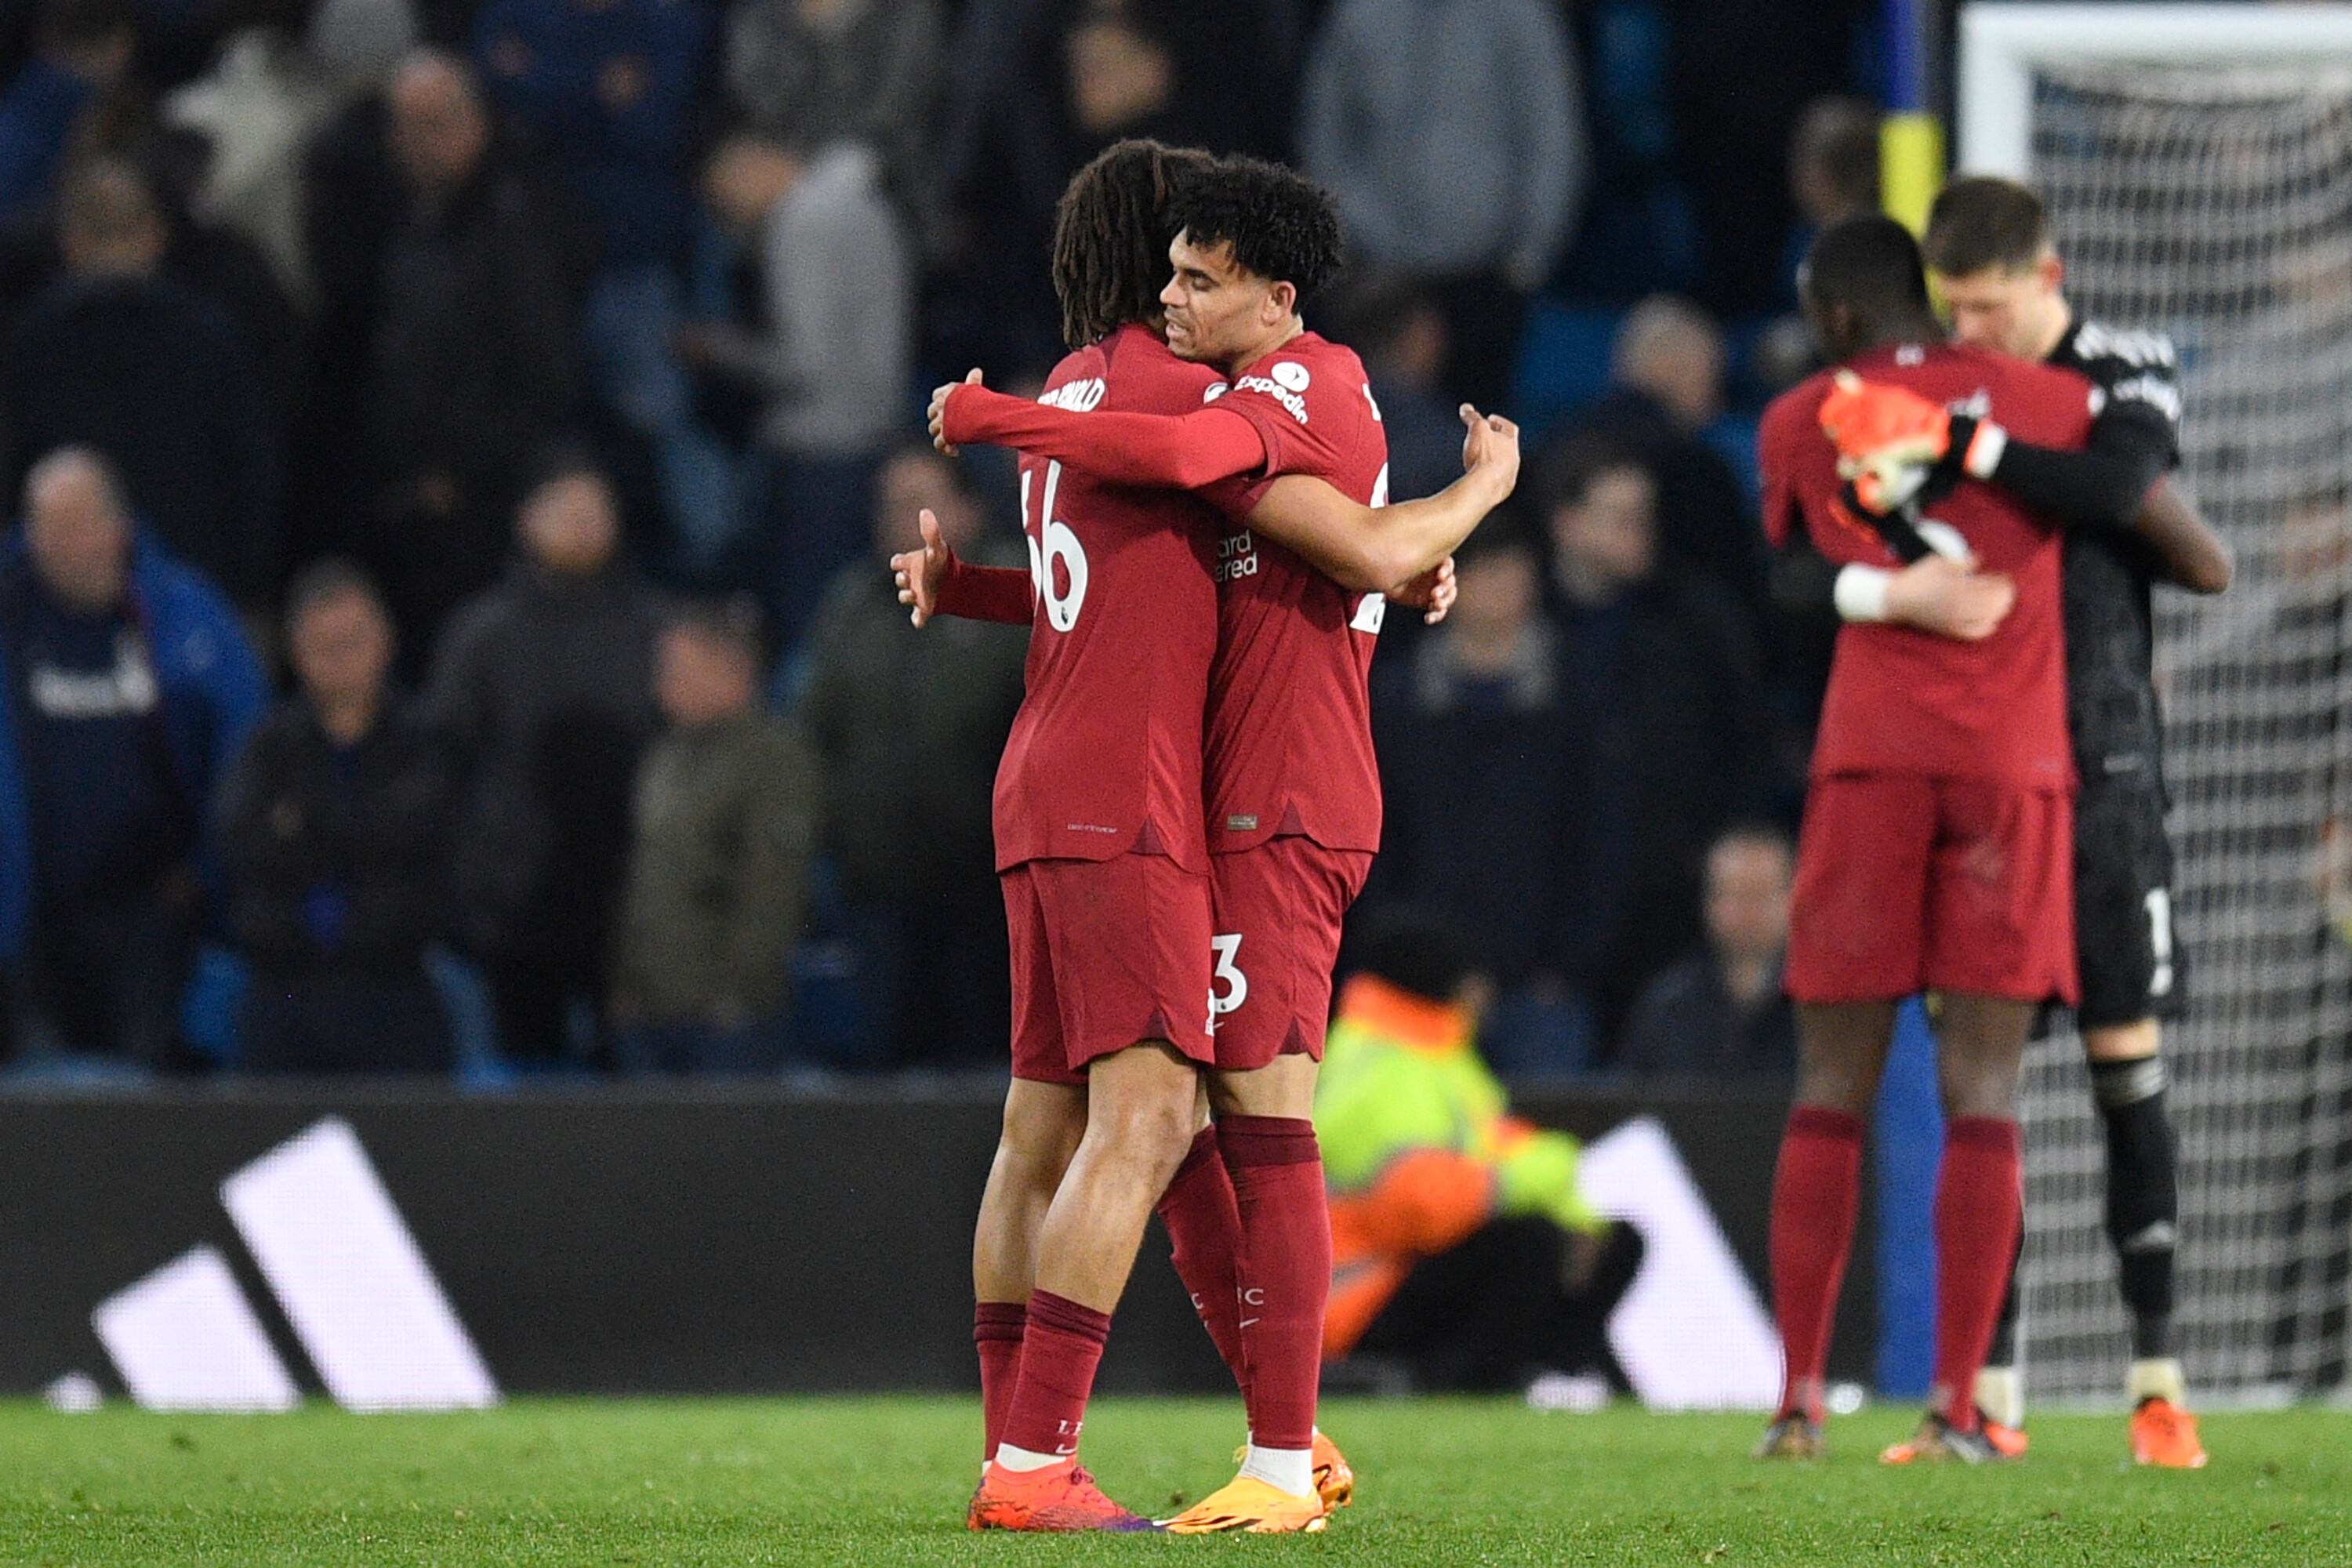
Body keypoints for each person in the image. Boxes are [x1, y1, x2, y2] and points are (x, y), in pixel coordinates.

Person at [906, 143, 1515, 1532]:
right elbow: (1331, 545)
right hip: (1149, 799)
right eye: (1171, 268)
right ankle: (1080, 1460)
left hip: (1177, 797)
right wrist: (1425, 536)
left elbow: (1320, 548)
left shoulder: (1137, 393)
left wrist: (1426, 535)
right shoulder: (1176, 401)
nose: (1182, 292)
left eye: (1205, 273)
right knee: (1161, 1117)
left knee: (1102, 1124)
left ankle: (1241, 1451)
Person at [1866, 175, 2231, 1468]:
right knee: (1983, 1085)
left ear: (2049, 279)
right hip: (1973, 776)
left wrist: (1967, 455)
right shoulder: (1927, 381)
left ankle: (2157, 1385)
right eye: (1954, 310)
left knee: (2126, 1065)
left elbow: (2121, 484)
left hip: (2105, 762)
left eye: (1991, 307)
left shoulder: (2123, 362)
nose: (1975, 332)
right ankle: (1985, 1402)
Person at [1751, 216, 2097, 1465]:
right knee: (1987, 1092)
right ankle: (1960, 1405)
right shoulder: (2052, 404)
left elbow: (1779, 585)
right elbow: (2117, 504)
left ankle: (1796, 1397)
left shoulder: (1804, 416)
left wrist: (1885, 591)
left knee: (1831, 1086)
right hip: (2012, 770)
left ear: (1837, 314)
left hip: (1870, 762)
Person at [0, 448, 267, 1067]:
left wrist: (205, 876)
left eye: (78, 524)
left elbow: (246, 751)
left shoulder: (185, 612)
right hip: (28, 915)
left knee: (140, 1095)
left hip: (154, 916)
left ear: (119, 525)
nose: (61, 545)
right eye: (46, 526)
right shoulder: (11, 614)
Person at [1316, 911, 1644, 1392]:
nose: (1487, 995)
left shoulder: (1439, 1054)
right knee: (1526, 1243)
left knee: (1615, 1241)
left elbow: (1499, 1150)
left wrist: (1580, 1226)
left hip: (1407, 1275)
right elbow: (1422, 1207)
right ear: (1449, 985)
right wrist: (1547, 1172)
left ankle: (1552, 1380)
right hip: (1358, 1294)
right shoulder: (1376, 1068)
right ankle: (1463, 1387)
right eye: (1476, 981)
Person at [427, 455, 663, 1068]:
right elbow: (444, 765)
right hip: (516, 906)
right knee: (526, 1105)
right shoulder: (480, 635)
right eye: (568, 509)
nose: (585, 524)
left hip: (629, 903)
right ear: (527, 522)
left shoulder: (656, 628)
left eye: (597, 509)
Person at [798, 446, 1025, 1069]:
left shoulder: (1014, 595)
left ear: (968, 508)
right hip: (879, 889)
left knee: (983, 1065)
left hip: (989, 892)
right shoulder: (851, 604)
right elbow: (816, 735)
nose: (900, 516)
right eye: (890, 504)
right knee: (888, 1070)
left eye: (919, 501)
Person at [4, 156, 279, 608]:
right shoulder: (208, 336)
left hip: (67, 603)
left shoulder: (34, 343)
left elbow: (17, 475)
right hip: (196, 595)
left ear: (71, 243)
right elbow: (250, 473)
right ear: (155, 235)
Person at [218, 561, 456, 1074]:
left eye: (353, 640)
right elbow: (245, 849)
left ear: (385, 643)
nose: (340, 659)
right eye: (324, 644)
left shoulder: (426, 741)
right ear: (298, 653)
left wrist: (308, 825)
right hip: (286, 984)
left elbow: (432, 849)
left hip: (396, 983)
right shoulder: (268, 747)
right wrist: (368, 835)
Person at [1296, 0, 1584, 412]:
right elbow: (1324, 139)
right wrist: (1355, 232)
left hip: (1487, 275)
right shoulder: (1359, 14)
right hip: (1379, 275)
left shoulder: (1519, 14)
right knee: (1371, 427)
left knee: (1477, 435)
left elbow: (1552, 136)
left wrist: (1529, 256)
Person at [688, 133, 910, 635]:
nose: (731, 217)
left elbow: (805, 362)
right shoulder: (866, 201)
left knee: (810, 621)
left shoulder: (803, 220)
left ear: (744, 164)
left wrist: (716, 350)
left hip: (819, 454)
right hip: (875, 434)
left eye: (723, 198)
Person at [609, 599, 818, 1076]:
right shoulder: (663, 757)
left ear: (733, 669)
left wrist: (738, 994)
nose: (665, 683)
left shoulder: (773, 759)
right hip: (651, 1008)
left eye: (682, 669)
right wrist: (627, 984)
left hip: (727, 1019)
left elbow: (772, 888)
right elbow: (644, 880)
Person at [1618, 825, 1797, 1081]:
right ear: (1709, 902)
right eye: (1734, 895)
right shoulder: (1670, 1005)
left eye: (1760, 896)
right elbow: (1631, 1104)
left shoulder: (1817, 1012)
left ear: (1792, 898)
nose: (1748, 914)